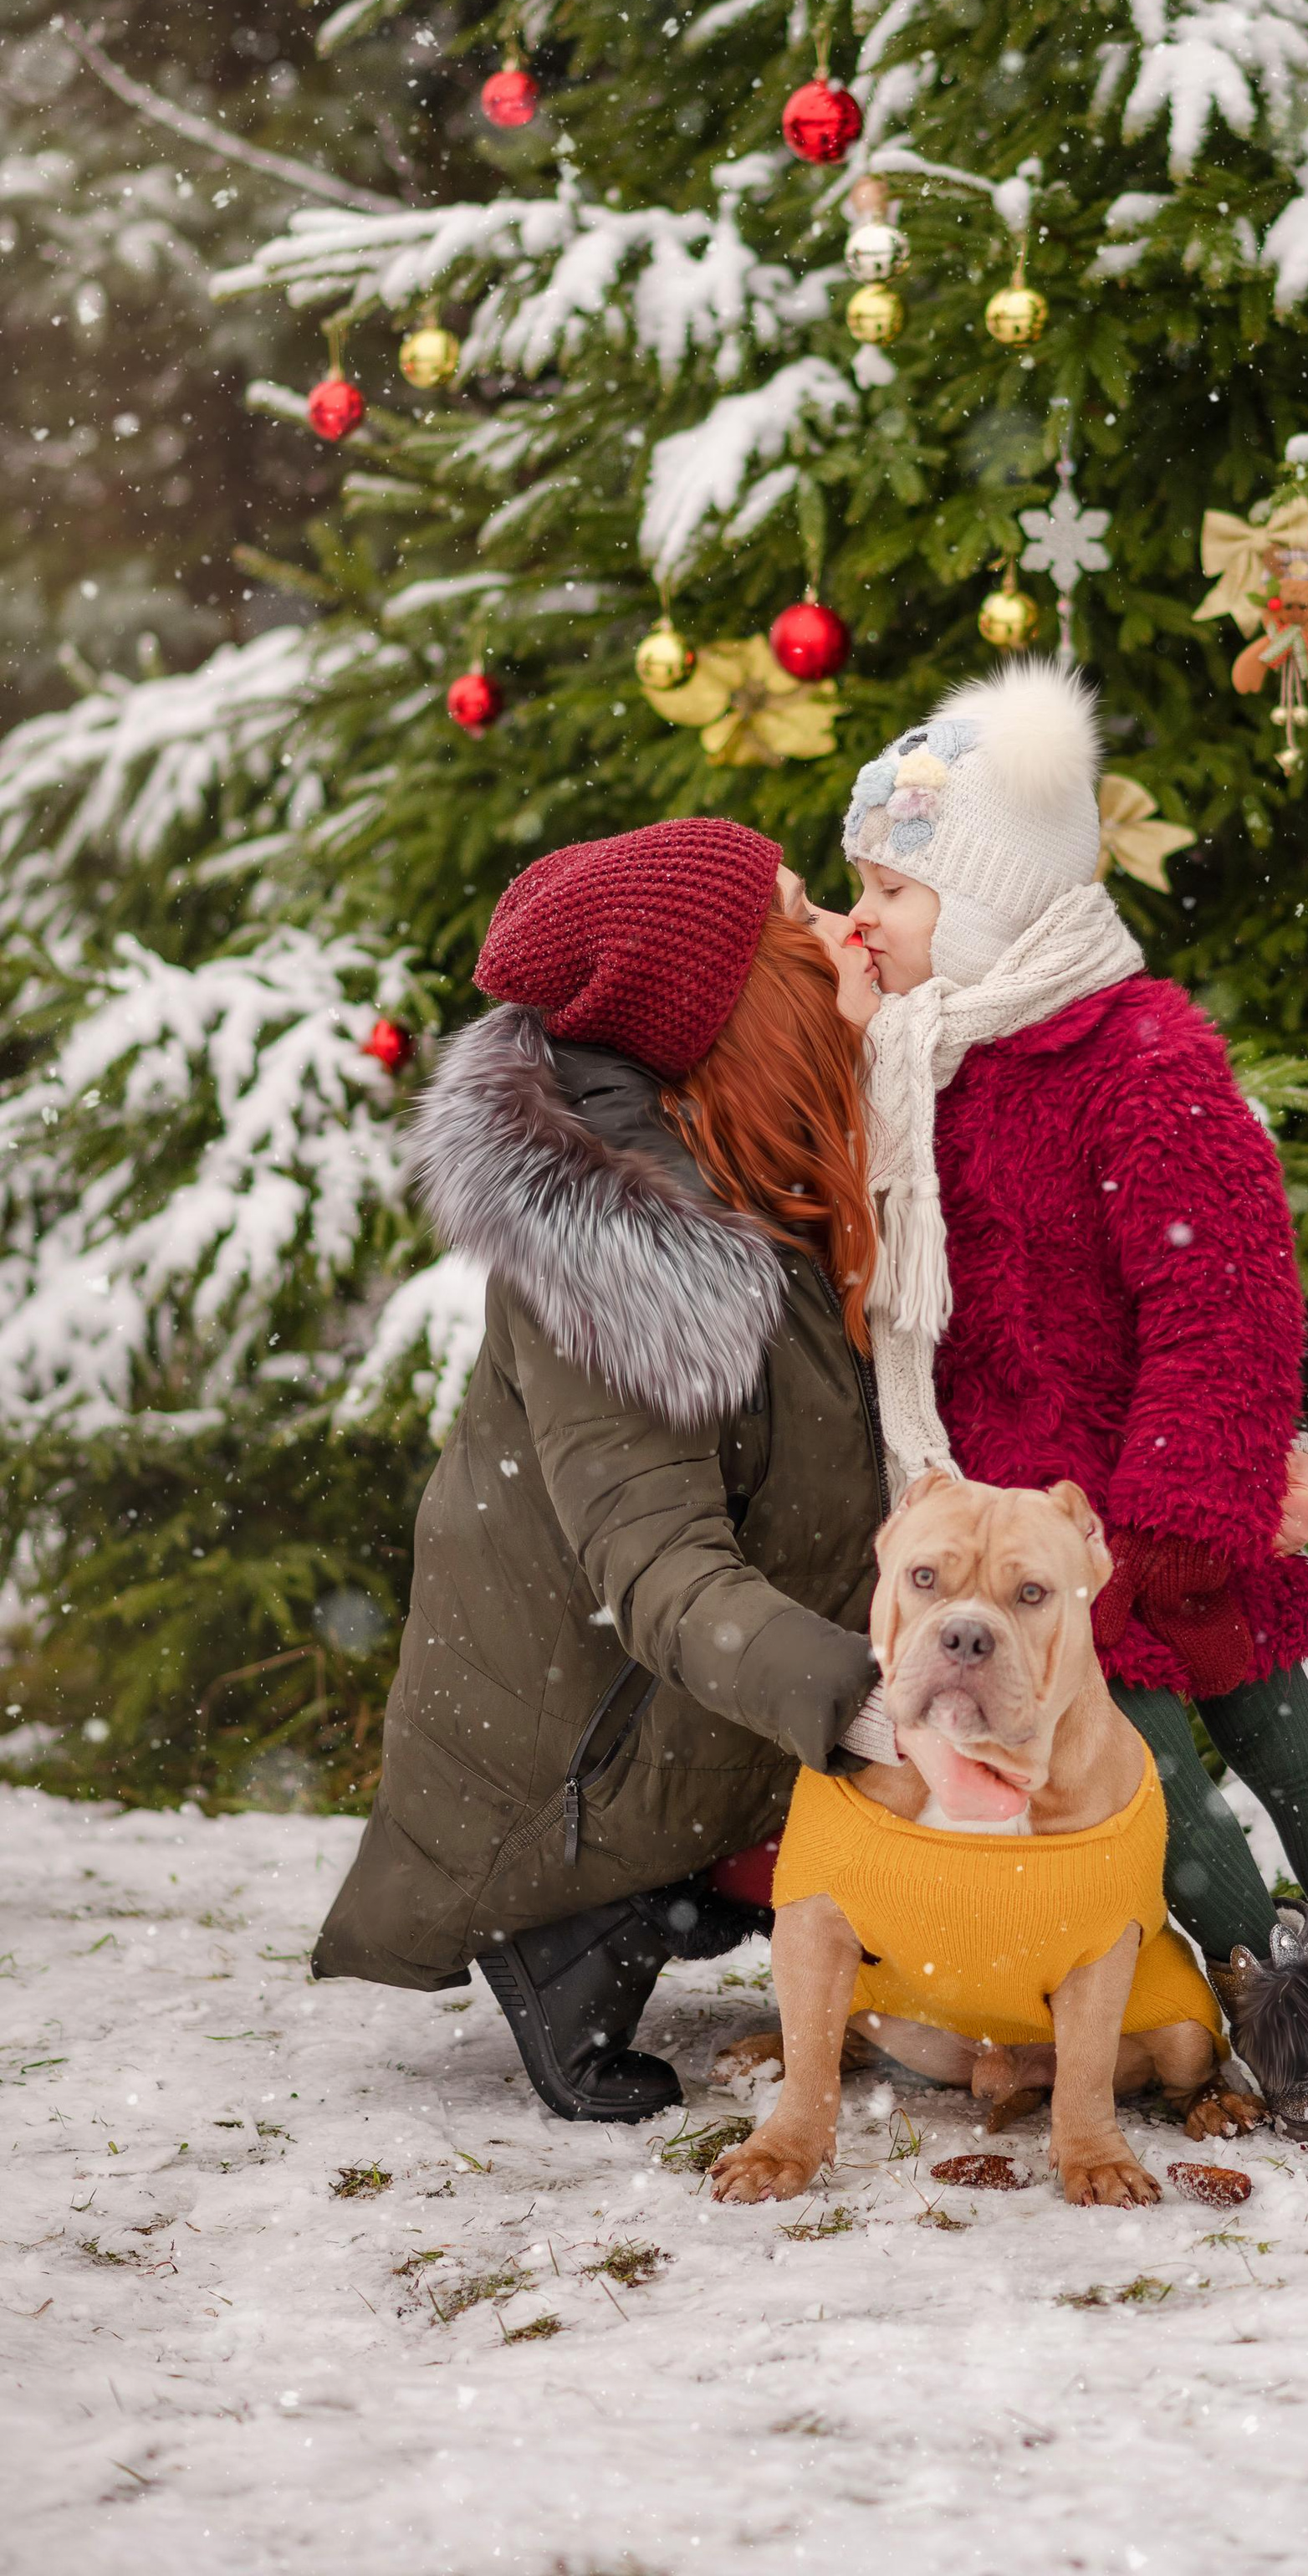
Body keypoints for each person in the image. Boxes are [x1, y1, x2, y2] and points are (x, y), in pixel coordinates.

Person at [834, 656, 1308, 2140]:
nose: (866, 920)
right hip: (1042, 1558)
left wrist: (1187, 1509)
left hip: (1158, 1509)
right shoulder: (921, 1063)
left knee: (1286, 1744)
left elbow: (1226, 1298)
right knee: (1167, 1809)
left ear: (995, 905)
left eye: (892, 890)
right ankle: (1288, 2009)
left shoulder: (1138, 1058)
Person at [311, 816, 898, 2125]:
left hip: (681, 1718)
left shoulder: (754, 1141)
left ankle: (716, 1872)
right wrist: (874, 1708)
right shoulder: (613, 1253)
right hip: (576, 1775)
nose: (841, 930)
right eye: (799, 915)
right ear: (724, 1002)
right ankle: (577, 1918)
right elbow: (660, 1568)